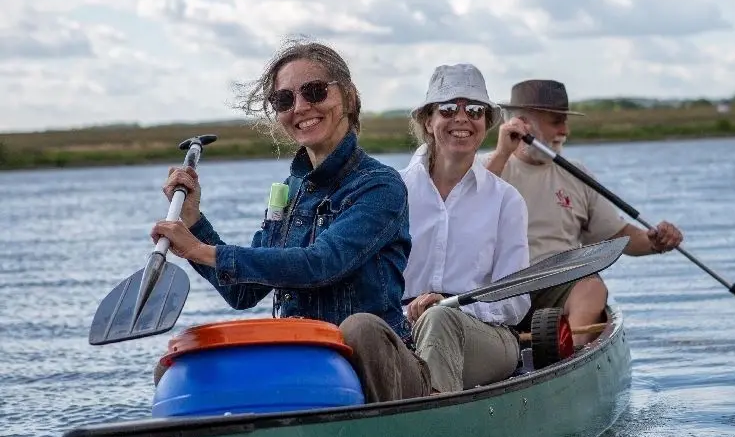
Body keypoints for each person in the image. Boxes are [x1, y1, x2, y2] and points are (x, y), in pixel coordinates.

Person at [151, 40, 431, 402]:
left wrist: (202, 250)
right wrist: (193, 223)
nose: (300, 107)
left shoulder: (381, 186)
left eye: (313, 91)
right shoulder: (288, 192)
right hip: (308, 362)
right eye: (284, 100)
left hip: (382, 370)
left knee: (359, 329)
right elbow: (242, 292)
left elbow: (321, 263)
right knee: (180, 366)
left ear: (347, 97)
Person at [355, 63, 531, 393]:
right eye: (448, 109)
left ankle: (433, 431)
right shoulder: (392, 192)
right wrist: (408, 312)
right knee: (360, 327)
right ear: (428, 120)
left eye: (475, 110)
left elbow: (516, 301)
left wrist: (452, 307)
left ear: (486, 123)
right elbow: (369, 287)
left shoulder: (507, 200)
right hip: (403, 324)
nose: (462, 118)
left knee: (439, 321)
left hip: (486, 336)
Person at [484, 79, 684, 348]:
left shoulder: (576, 173)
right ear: (522, 123)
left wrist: (655, 241)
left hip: (560, 285)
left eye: (565, 121)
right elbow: (472, 210)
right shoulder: (486, 167)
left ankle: (569, 355)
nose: (565, 131)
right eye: (556, 121)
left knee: (592, 288)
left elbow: (619, 235)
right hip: (498, 288)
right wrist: (502, 153)